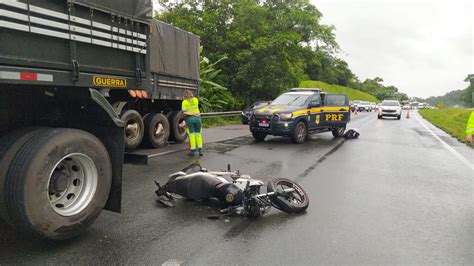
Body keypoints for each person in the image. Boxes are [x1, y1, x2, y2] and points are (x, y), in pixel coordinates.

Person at [155, 163, 243, 207]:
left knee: (197, 167)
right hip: (205, 184)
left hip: (198, 184)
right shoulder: (204, 183)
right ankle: (167, 187)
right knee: (197, 167)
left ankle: (167, 187)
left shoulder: (199, 184)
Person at [182, 90, 203, 156]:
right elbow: (196, 108)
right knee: (198, 134)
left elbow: (184, 112)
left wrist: (192, 113)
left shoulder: (184, 102)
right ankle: (200, 150)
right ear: (191, 94)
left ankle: (192, 150)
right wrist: (195, 113)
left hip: (190, 119)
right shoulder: (196, 100)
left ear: (184, 95)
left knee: (191, 134)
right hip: (198, 119)